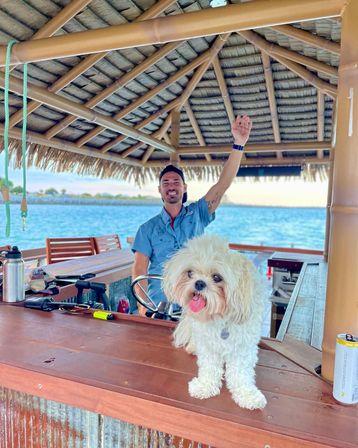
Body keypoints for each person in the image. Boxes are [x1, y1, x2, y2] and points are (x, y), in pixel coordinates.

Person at [132, 115, 252, 315]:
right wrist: (143, 307)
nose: (171, 186)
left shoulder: (198, 214)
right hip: (158, 304)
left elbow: (222, 185)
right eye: (166, 183)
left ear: (184, 187)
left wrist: (239, 144)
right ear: (159, 190)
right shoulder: (147, 229)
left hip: (196, 302)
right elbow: (139, 271)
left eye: (176, 182)